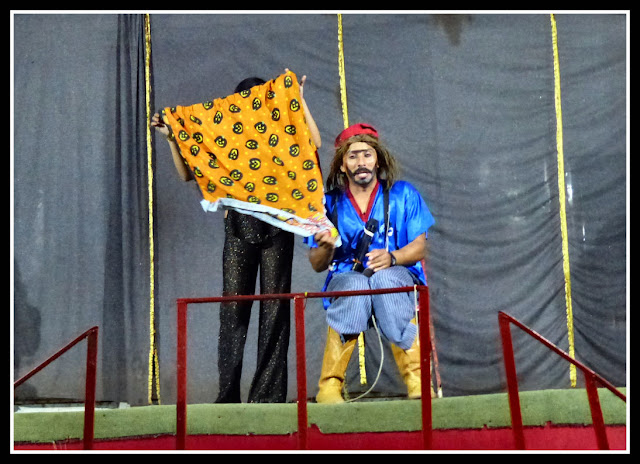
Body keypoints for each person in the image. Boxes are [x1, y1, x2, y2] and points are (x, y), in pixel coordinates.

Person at [152, 72, 321, 403]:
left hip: (277, 228)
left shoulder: (281, 136)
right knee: (233, 310)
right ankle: (227, 395)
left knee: (275, 309)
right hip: (239, 229)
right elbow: (187, 174)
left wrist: (297, 102)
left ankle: (268, 396)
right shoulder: (226, 140)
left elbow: (312, 145)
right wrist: (173, 137)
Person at [305, 123, 434, 403]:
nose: (361, 162)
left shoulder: (403, 193)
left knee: (385, 280)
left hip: (396, 274)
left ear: (378, 159)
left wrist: (393, 257)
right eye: (352, 156)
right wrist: (325, 247)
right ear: (342, 165)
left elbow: (420, 247)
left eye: (367, 154)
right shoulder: (328, 203)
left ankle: (418, 380)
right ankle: (329, 386)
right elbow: (316, 263)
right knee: (353, 287)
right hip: (348, 278)